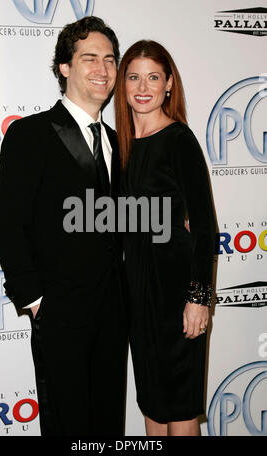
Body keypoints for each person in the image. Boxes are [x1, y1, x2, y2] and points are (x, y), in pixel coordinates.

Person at [0, 16, 128, 436]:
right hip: (59, 313)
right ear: (64, 68)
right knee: (67, 427)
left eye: (109, 59)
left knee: (107, 425)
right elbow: (9, 223)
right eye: (89, 58)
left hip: (114, 312)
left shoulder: (121, 141)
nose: (102, 69)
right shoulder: (30, 134)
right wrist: (34, 300)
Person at [114, 40, 216, 436]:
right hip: (138, 296)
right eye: (134, 77)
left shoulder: (179, 140)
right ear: (122, 85)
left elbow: (205, 226)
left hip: (178, 293)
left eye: (153, 77)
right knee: (153, 404)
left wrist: (198, 298)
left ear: (169, 84)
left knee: (180, 407)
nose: (143, 86)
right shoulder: (117, 147)